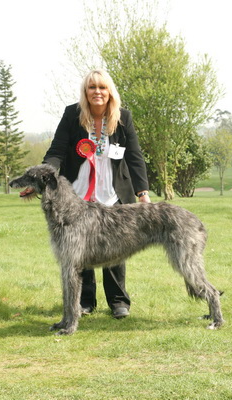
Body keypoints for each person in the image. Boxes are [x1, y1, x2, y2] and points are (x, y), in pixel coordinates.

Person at [42, 69, 151, 319]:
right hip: (78, 194)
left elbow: (134, 156)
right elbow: (57, 148)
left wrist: (142, 191)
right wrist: (47, 172)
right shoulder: (73, 114)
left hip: (113, 194)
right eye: (92, 88)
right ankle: (85, 302)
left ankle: (118, 301)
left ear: (109, 91)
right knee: (79, 250)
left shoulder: (123, 117)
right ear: (85, 92)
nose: (97, 92)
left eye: (102, 87)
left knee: (114, 248)